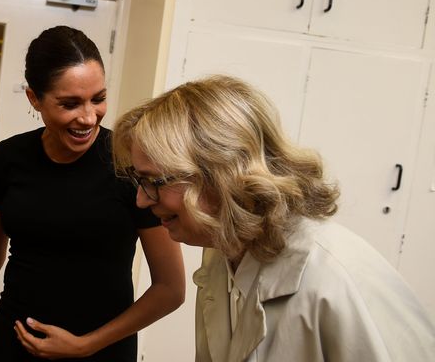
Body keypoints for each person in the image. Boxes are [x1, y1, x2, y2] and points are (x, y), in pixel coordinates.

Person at [111, 74, 435, 361]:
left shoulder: (337, 278)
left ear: (222, 174)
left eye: (154, 182)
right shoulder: (222, 254)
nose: (141, 199)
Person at [0, 26, 186, 362]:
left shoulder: (129, 164)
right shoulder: (6, 160)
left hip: (102, 350)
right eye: (69, 104)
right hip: (17, 342)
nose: (88, 117)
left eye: (98, 99)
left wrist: (85, 345)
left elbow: (170, 289)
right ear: (34, 98)